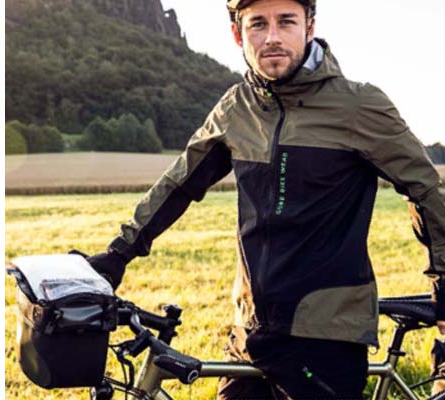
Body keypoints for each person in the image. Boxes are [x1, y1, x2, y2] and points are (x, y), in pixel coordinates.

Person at [84, 0, 445, 398]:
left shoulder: (358, 105)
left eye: (285, 21)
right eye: (258, 24)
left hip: (325, 336)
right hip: (251, 332)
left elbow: (427, 191)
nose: (272, 37)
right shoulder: (236, 107)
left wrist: (442, 279)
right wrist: (118, 254)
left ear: (309, 26)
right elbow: (178, 185)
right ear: (239, 34)